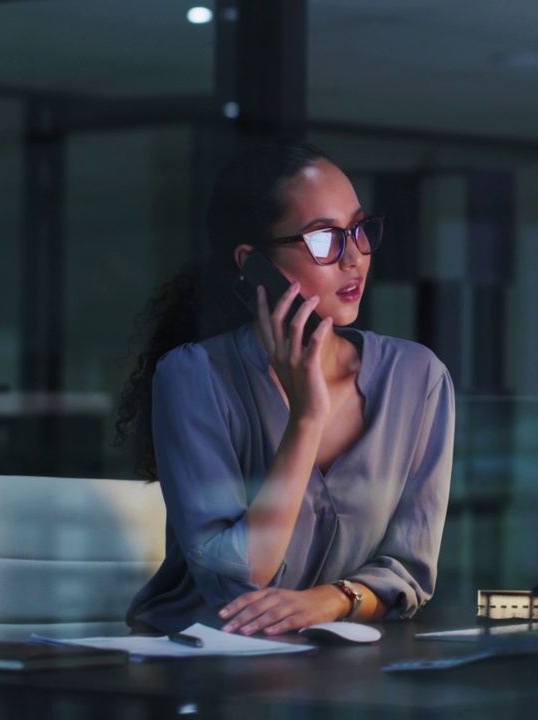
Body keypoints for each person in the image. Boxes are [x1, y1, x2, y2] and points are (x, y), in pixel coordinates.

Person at [115, 140, 455, 637]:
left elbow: (410, 573)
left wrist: (331, 601)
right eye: (324, 240)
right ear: (254, 263)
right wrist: (307, 419)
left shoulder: (418, 378)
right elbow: (236, 579)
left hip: (338, 665)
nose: (354, 258)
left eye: (359, 231)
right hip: (203, 662)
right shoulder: (193, 377)